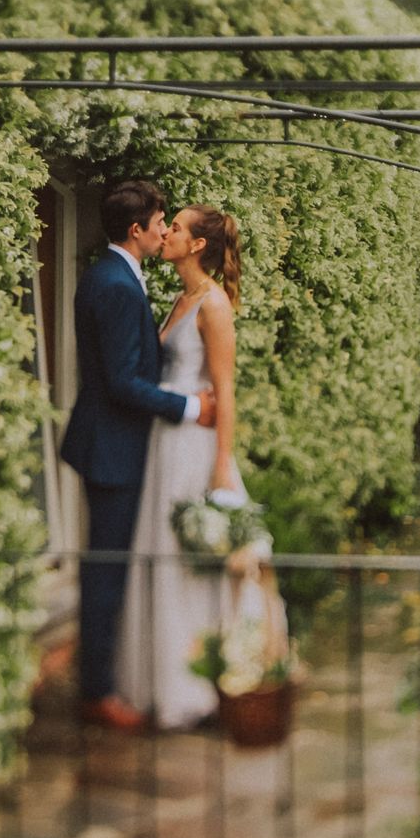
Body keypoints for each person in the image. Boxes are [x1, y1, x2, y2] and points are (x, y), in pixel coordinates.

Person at [56, 180, 202, 730]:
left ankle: (106, 678)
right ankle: (97, 694)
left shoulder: (115, 275)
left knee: (109, 564)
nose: (166, 230)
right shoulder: (116, 284)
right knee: (106, 569)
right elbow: (121, 382)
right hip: (112, 447)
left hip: (112, 441)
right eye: (161, 221)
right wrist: (188, 407)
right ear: (136, 229)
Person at [116, 203, 257, 731]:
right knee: (162, 557)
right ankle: (165, 681)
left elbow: (226, 393)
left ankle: (199, 689)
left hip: (195, 451)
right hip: (164, 443)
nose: (165, 232)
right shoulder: (180, 298)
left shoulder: (214, 306)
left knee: (192, 564)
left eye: (175, 227)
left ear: (197, 244)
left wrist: (222, 467)